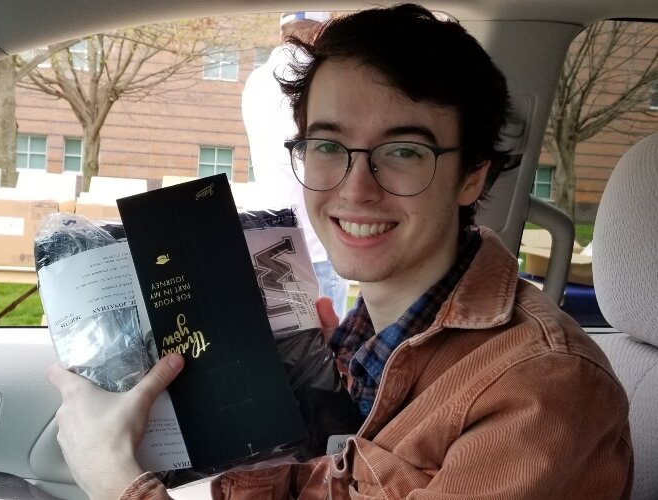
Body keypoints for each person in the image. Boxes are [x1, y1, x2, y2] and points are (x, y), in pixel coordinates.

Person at [47, 4, 633, 499]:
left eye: (404, 151)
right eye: (328, 144)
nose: (355, 189)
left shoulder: (540, 389)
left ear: (472, 176)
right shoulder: (361, 344)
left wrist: (117, 480)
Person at [241, 10, 350, 320]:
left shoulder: (256, 80)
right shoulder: (319, 79)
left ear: (282, 33)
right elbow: (316, 163)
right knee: (327, 350)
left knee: (287, 344)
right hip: (314, 244)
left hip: (266, 237)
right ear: (320, 33)